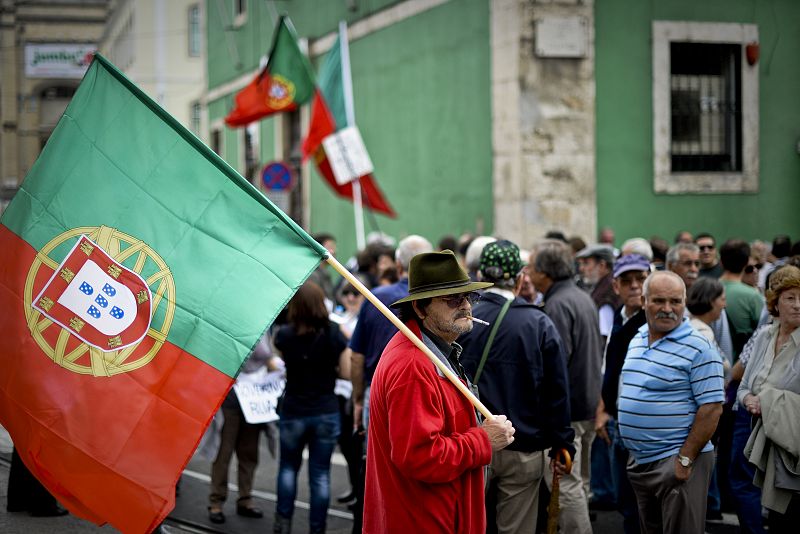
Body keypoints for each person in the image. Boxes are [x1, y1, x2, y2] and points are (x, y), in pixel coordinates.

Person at [363, 250, 516, 532]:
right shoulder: (412, 365)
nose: (467, 306)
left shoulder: (431, 351)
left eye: (469, 297)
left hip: (437, 512)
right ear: (420, 308)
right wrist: (483, 440)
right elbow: (420, 456)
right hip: (424, 519)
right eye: (453, 299)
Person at [460, 240, 574, 533]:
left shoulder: (461, 317)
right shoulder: (538, 322)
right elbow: (556, 391)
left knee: (470, 524)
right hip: (522, 444)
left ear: (479, 273)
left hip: (473, 442)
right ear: (521, 276)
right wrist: (562, 441)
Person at [618, 271, 725, 534]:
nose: (668, 309)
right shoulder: (639, 336)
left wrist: (685, 460)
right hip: (642, 463)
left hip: (676, 462)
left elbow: (712, 409)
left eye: (675, 302)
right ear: (643, 301)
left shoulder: (700, 347)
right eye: (659, 301)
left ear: (685, 302)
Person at [348, 235, 432, 532]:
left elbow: (356, 357)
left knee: (375, 467)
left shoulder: (376, 297)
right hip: (422, 395)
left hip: (378, 394)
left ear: (398, 264)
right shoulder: (431, 298)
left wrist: (358, 399)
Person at [529, 239, 601, 534]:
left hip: (568, 410)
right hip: (586, 404)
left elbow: (556, 364)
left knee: (565, 484)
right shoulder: (580, 296)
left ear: (545, 271)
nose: (528, 271)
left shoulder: (558, 304)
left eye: (532, 266)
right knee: (579, 484)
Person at [272, 281, 350, 534]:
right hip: (326, 410)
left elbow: (281, 361)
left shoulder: (284, 334)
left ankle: (282, 524)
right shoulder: (335, 333)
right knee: (320, 475)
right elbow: (347, 372)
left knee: (287, 468)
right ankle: (318, 529)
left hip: (294, 408)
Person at [737, 265, 800, 532]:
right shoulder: (765, 335)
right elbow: (742, 386)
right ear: (775, 302)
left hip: (794, 450)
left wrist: (768, 401)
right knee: (776, 522)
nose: (798, 305)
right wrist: (748, 399)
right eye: (790, 298)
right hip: (762, 441)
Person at [596, 254, 650, 534]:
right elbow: (611, 368)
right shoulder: (620, 316)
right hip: (617, 422)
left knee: (645, 506)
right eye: (627, 281)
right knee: (625, 502)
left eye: (641, 279)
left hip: (643, 426)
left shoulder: (652, 322)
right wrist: (602, 409)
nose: (635, 286)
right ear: (615, 286)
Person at [207, 336, 274, 524]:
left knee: (249, 452)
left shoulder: (266, 322)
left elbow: (267, 354)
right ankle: (216, 501)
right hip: (231, 398)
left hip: (254, 399)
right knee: (223, 453)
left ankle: (245, 498)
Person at [719, 239, 765, 358]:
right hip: (743, 363)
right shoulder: (752, 296)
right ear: (746, 263)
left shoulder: (706, 290)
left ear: (721, 262)